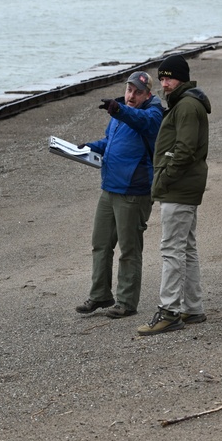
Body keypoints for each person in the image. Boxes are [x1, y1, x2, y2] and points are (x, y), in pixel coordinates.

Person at [74, 71, 164, 318]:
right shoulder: (121, 111)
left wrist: (119, 109)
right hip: (110, 188)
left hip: (134, 192)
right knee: (101, 244)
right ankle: (100, 295)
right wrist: (88, 147)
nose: (131, 96)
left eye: (137, 92)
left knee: (129, 249)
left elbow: (141, 121)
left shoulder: (153, 113)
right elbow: (110, 142)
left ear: (148, 94)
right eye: (129, 90)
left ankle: (126, 302)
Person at [136, 54, 211, 336]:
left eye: (169, 78)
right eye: (162, 79)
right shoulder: (184, 103)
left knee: (171, 249)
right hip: (183, 186)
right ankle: (193, 307)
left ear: (182, 78)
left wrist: (165, 177)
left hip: (179, 187)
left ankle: (169, 311)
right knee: (186, 247)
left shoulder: (187, 105)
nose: (165, 84)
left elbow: (185, 149)